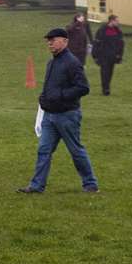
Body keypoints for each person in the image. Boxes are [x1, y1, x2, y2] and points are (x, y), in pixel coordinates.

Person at [18, 28, 100, 194]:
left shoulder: (72, 63)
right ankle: (36, 186)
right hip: (49, 116)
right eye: (48, 40)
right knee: (44, 150)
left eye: (53, 39)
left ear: (64, 41)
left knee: (76, 151)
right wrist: (44, 97)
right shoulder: (52, 62)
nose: (50, 42)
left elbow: (83, 88)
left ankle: (90, 184)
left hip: (67, 116)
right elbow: (50, 86)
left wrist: (61, 95)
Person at [91, 16, 125, 96]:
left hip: (113, 56)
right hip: (104, 55)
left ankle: (107, 87)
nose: (118, 22)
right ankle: (105, 89)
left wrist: (119, 55)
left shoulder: (118, 31)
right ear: (111, 21)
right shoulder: (102, 30)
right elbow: (96, 43)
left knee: (110, 72)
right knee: (104, 72)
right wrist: (95, 56)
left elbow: (121, 44)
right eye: (116, 21)